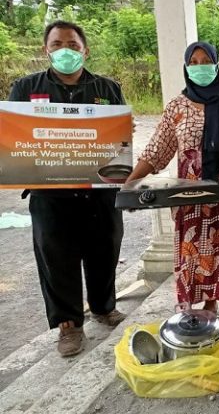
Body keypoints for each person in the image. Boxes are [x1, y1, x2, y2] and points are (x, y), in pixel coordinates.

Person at [126, 42, 219, 315]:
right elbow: (156, 149)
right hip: (191, 198)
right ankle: (207, 305)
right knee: (195, 252)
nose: (199, 67)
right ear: (186, 67)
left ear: (217, 64)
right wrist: (129, 183)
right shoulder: (177, 107)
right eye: (193, 62)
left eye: (205, 60)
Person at [8, 20, 127, 357]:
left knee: (105, 249)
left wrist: (122, 145)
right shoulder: (26, 89)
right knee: (56, 257)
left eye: (72, 45)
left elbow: (118, 139)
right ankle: (69, 325)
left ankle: (103, 308)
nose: (65, 51)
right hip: (50, 195)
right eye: (57, 44)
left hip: (100, 192)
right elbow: (15, 138)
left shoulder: (107, 88)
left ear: (85, 49)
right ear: (46, 50)